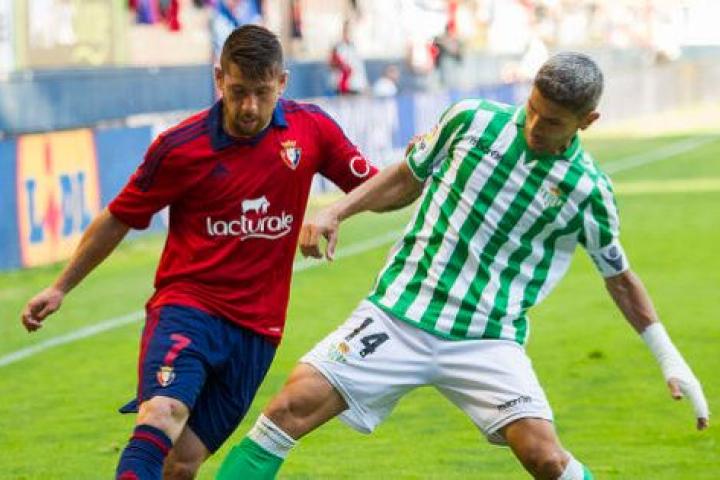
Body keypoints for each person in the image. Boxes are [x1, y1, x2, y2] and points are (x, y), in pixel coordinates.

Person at [215, 52, 710, 479]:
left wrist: (669, 357)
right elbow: (406, 177)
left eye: (553, 121)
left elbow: (619, 280)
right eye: (532, 109)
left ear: (588, 121)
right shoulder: (471, 121)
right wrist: (336, 211)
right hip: (398, 314)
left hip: (487, 339)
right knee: (287, 410)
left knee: (545, 458)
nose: (534, 127)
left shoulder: (589, 192)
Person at [20, 25, 377, 480]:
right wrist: (60, 286)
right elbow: (118, 216)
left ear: (282, 83)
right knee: (162, 412)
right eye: (238, 91)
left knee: (181, 463)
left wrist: (339, 210)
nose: (249, 107)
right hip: (188, 308)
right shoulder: (180, 147)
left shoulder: (311, 129)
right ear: (218, 79)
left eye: (262, 93)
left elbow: (381, 186)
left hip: (258, 330)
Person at [328, 20, 369, 95]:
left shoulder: (355, 47)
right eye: (346, 30)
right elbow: (332, 65)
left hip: (356, 85)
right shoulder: (337, 47)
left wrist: (364, 85)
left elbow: (359, 68)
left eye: (350, 31)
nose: (348, 33)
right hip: (343, 86)